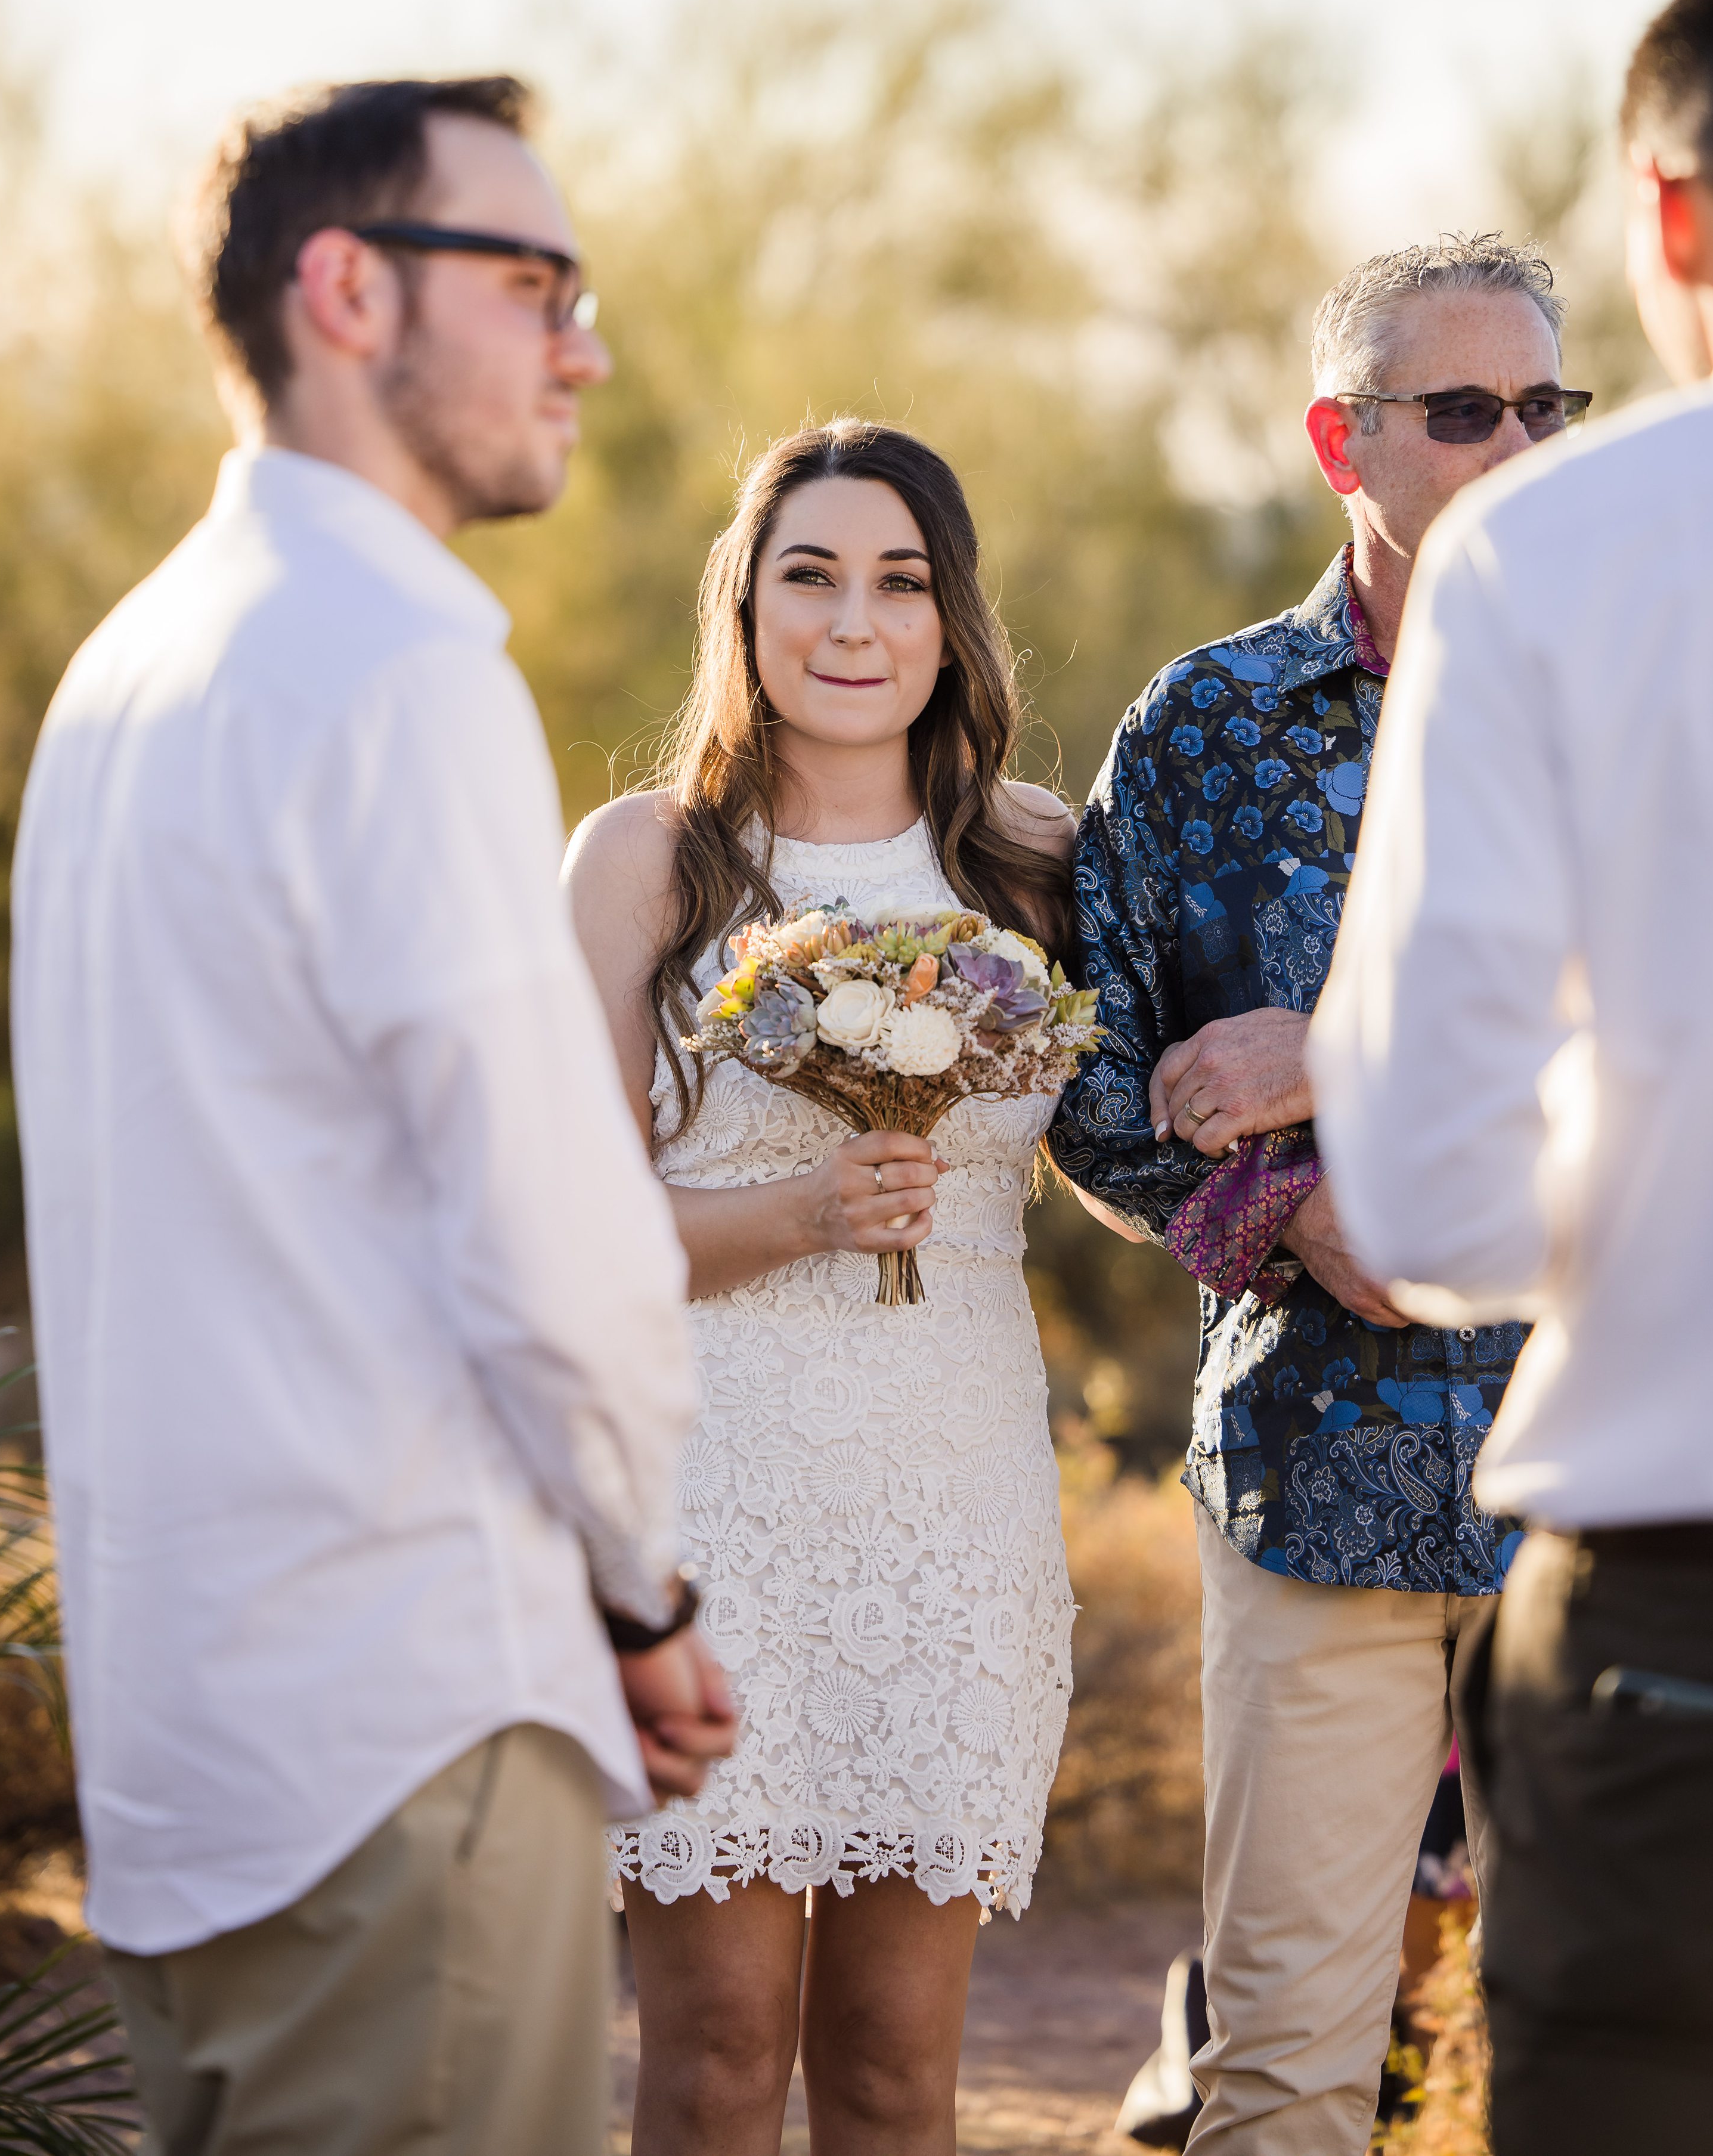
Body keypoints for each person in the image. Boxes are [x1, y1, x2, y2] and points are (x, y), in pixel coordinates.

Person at [11, 75, 735, 2156]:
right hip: (404, 1718)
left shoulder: (132, 666)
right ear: (345, 286)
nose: (581, 341)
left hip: (188, 1745)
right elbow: (543, 1227)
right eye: (532, 280)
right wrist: (644, 1589)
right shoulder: (394, 665)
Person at [1051, 233, 1593, 2154]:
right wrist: (1279, 1215)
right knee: (1285, 2060)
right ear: (1338, 440)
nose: (1516, 445)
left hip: (1611, 1488)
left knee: (1612, 2055)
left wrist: (1332, 1044)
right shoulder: (1203, 729)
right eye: (1464, 411)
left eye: (1549, 405)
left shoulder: (1663, 701)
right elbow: (1093, 1077)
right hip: (1316, 1476)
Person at [1311, 0, 1713, 2154]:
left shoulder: (1553, 562)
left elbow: (1427, 1192)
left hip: (1695, 1635)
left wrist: (1661, 1143)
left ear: (1670, 222)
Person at [566, 419, 1121, 2155]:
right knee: (719, 2050)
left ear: (953, 621)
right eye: (808, 575)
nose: (854, 621)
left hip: (952, 1495)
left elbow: (1144, 1141)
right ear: (746, 608)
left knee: (895, 2067)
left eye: (899, 580)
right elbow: (560, 1236)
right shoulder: (645, 864)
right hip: (712, 1497)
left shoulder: (1038, 863)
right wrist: (800, 1209)